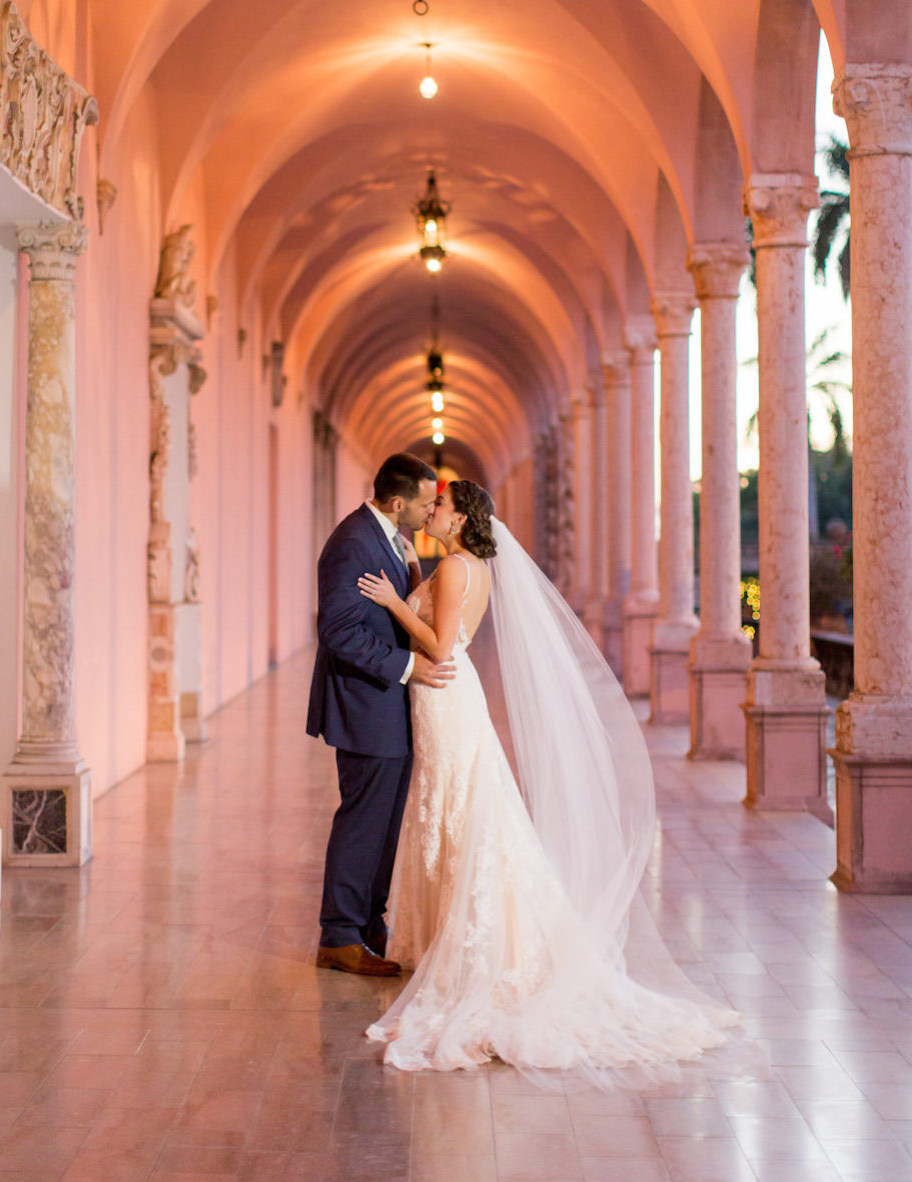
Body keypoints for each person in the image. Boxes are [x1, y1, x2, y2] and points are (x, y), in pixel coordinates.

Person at [357, 479, 743, 1079]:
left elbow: (439, 645)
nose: (430, 511)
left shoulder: (457, 570)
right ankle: (446, 938)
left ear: (459, 521)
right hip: (439, 703)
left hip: (445, 695)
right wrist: (411, 573)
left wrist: (393, 601)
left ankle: (480, 952)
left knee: (463, 809)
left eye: (440, 506)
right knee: (450, 808)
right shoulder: (455, 564)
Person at [306, 453, 454, 977]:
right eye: (424, 502)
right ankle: (339, 936)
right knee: (363, 821)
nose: (429, 509)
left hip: (386, 706)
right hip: (365, 704)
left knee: (385, 822)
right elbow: (339, 632)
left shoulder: (392, 539)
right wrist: (408, 665)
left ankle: (369, 925)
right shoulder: (353, 543)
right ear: (397, 503)